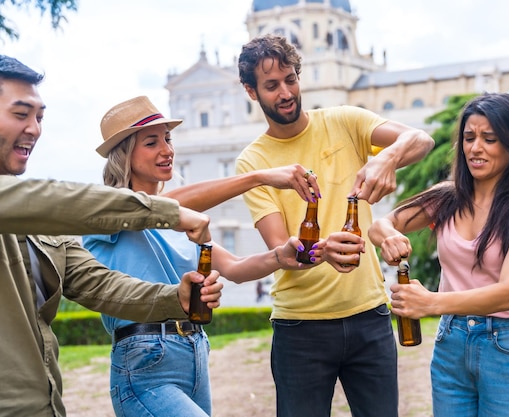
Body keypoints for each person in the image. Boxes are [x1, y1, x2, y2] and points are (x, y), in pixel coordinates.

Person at [0, 55, 223, 417]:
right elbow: (60, 202)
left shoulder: (41, 223)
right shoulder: (39, 204)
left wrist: (175, 297)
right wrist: (169, 212)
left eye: (39, 117)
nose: (35, 128)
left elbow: (99, 286)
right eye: (21, 114)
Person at [235, 33, 435, 417]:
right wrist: (323, 250)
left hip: (369, 316)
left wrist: (386, 158)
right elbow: (281, 249)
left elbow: (420, 139)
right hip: (300, 327)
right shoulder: (254, 162)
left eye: (290, 79)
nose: (286, 92)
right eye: (272, 86)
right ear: (251, 91)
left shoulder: (346, 120)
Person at [83, 95, 319, 416]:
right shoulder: (105, 209)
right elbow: (151, 210)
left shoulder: (181, 221)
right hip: (143, 360)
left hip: (193, 351)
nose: (167, 150)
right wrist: (258, 177)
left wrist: (281, 256)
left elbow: (235, 268)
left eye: (168, 139)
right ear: (124, 154)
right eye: (151, 143)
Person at [368, 93, 509, 417]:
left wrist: (430, 302)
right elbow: (383, 223)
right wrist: (390, 237)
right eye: (469, 138)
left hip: (508, 347)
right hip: (450, 345)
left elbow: (508, 294)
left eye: (489, 139)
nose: (475, 148)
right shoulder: (447, 197)